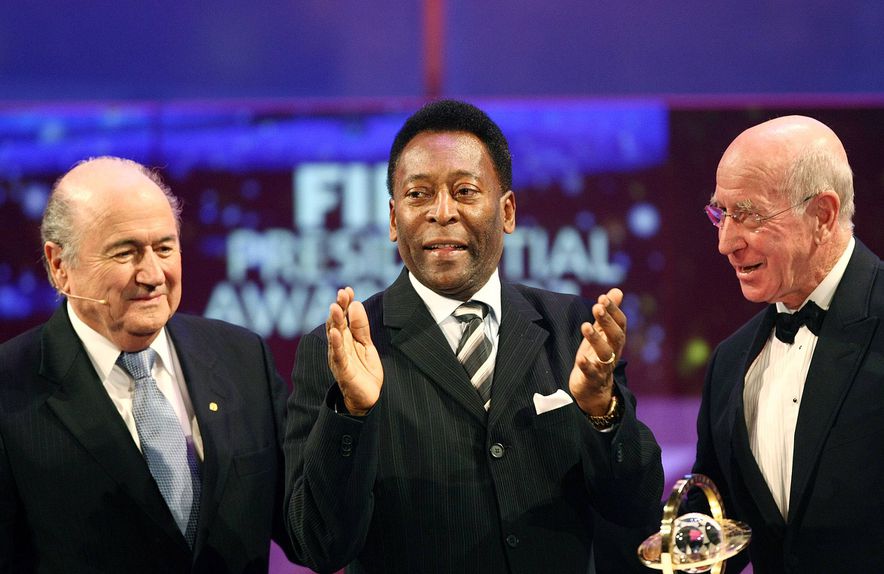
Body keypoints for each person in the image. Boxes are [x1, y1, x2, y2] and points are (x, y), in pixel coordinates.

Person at [283, 99, 663, 574]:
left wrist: (602, 411)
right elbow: (317, 545)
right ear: (393, 218)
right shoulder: (341, 350)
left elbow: (636, 509)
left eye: (465, 191)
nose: (442, 212)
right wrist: (351, 416)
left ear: (507, 211)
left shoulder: (574, 328)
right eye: (418, 194)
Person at [0, 157, 294, 573]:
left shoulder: (243, 358)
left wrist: (349, 414)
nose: (153, 274)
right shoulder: (9, 389)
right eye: (126, 252)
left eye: (164, 248)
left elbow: (313, 536)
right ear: (60, 266)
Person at [692, 115, 884, 573]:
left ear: (823, 215)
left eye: (749, 215)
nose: (726, 243)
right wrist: (607, 418)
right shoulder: (730, 362)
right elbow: (712, 529)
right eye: (720, 214)